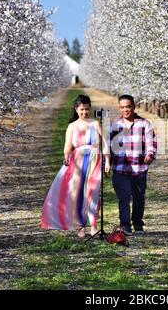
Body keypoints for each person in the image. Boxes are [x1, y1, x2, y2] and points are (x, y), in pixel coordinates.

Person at [41, 94, 110, 238]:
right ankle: (79, 225)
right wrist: (66, 156)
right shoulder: (72, 126)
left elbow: (105, 144)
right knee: (76, 192)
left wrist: (107, 160)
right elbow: (68, 145)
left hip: (94, 160)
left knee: (93, 191)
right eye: (81, 109)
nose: (84, 112)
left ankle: (93, 225)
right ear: (76, 109)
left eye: (86, 109)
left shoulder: (96, 123)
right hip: (77, 161)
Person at [110, 94, 157, 235]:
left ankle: (137, 223)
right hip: (120, 167)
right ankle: (125, 225)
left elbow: (151, 142)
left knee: (138, 197)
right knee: (123, 198)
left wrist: (149, 155)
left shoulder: (144, 124)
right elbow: (108, 145)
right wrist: (106, 161)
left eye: (128, 106)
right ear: (119, 108)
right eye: (122, 107)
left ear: (134, 107)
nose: (126, 110)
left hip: (139, 168)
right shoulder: (114, 125)